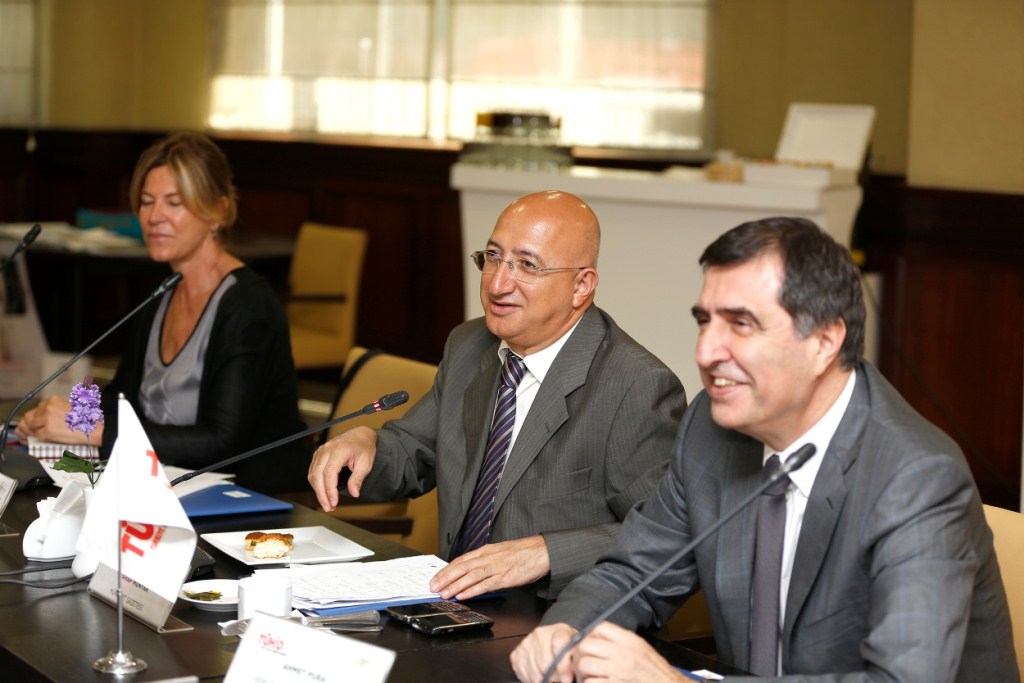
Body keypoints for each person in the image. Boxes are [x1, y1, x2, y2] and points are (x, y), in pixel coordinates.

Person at [511, 216, 1018, 682]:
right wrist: (564, 631)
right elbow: (634, 572)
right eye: (704, 321)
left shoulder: (917, 477)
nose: (705, 352)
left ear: (824, 342)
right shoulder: (711, 428)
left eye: (741, 324)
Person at [307, 190, 687, 600]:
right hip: (452, 603)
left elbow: (668, 538)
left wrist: (547, 552)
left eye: (527, 265)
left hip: (556, 616)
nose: (498, 284)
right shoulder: (470, 344)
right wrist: (366, 444)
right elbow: (413, 451)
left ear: (581, 286)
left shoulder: (636, 384)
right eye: (493, 257)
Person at [16, 132, 310, 493]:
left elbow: (222, 442)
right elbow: (121, 396)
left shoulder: (249, 308)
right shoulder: (163, 291)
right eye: (146, 202)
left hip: (253, 497)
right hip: (167, 481)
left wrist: (94, 430)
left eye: (174, 202)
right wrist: (67, 412)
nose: (154, 216)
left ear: (218, 211)